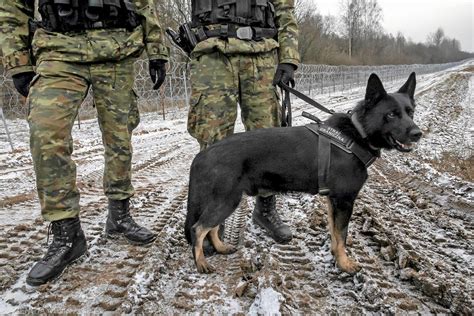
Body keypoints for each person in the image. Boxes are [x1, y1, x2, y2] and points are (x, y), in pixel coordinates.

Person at [0, 0, 169, 286]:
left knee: (119, 138)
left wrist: (157, 49)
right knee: (45, 132)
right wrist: (18, 61)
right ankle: (68, 235)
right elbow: (12, 5)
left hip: (116, 47)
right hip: (57, 49)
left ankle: (119, 217)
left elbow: (143, 2)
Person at [186, 0, 300, 245]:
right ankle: (212, 218)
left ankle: (266, 210)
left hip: (262, 54)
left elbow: (285, 11)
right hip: (213, 54)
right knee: (212, 139)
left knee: (268, 139)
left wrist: (289, 58)